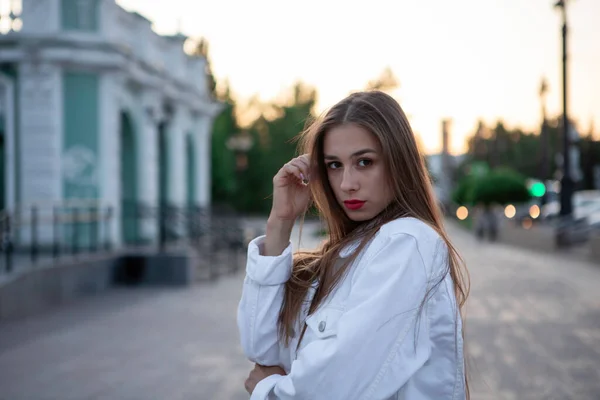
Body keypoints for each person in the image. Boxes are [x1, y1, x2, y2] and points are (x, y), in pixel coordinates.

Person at [237, 90, 470, 399]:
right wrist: (280, 221)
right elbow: (260, 347)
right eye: (334, 165)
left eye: (364, 162)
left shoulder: (407, 242)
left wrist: (268, 391)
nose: (347, 183)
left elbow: (336, 386)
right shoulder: (344, 253)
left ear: (399, 163)